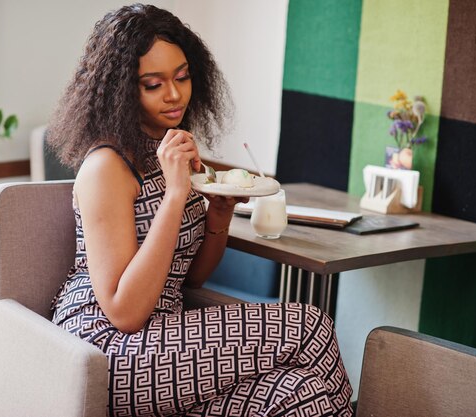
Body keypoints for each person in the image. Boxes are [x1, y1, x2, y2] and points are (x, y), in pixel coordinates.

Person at [48, 4, 352, 416]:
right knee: (311, 326)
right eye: (153, 84)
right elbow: (125, 310)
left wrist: (219, 216)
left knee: (302, 394)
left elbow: (189, 277)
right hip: (107, 350)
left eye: (182, 76)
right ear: (122, 90)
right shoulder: (107, 166)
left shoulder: (169, 152)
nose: (174, 94)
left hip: (169, 341)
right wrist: (176, 196)